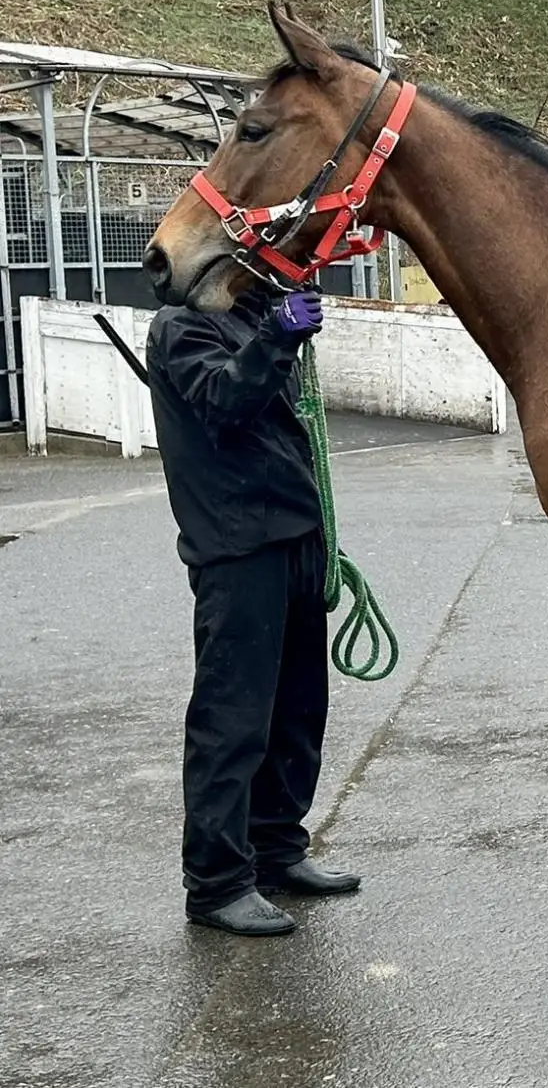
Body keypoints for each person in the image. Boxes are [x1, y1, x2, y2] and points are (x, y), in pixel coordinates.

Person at [145, 283, 360, 937]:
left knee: (297, 712)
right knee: (232, 719)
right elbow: (226, 401)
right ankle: (215, 882)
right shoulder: (181, 329)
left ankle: (276, 849)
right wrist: (279, 335)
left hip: (293, 538)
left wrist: (275, 326)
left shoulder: (247, 316)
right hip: (237, 547)